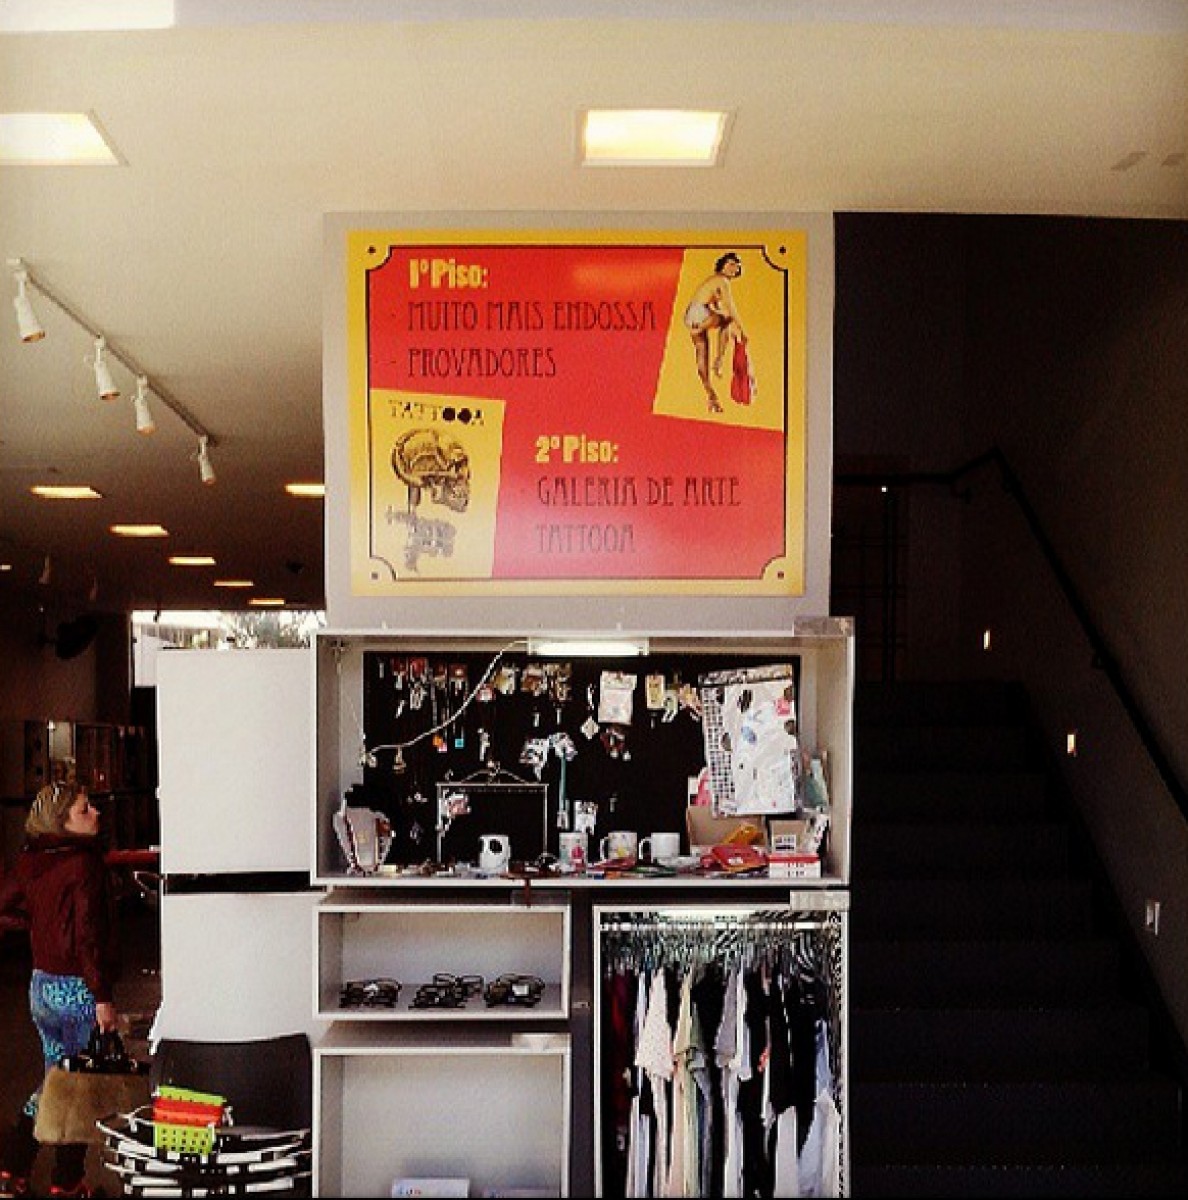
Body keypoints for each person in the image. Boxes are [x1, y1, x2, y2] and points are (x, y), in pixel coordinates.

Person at [0, 781, 120, 1199]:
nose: (96, 813)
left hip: (41, 988)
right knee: (77, 1088)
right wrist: (102, 995)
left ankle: (13, 1168)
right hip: (77, 992)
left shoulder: (31, 861)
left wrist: (38, 924)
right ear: (62, 821)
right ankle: (67, 1182)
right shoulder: (84, 864)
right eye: (84, 810)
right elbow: (88, 936)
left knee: (55, 1081)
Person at [683, 251, 747, 412]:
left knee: (702, 354)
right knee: (728, 320)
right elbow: (730, 308)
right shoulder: (722, 281)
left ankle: (711, 396)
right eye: (731, 264)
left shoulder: (714, 281)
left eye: (737, 266)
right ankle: (719, 360)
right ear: (723, 265)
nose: (734, 268)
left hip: (691, 315)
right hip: (701, 314)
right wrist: (742, 330)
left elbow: (717, 306)